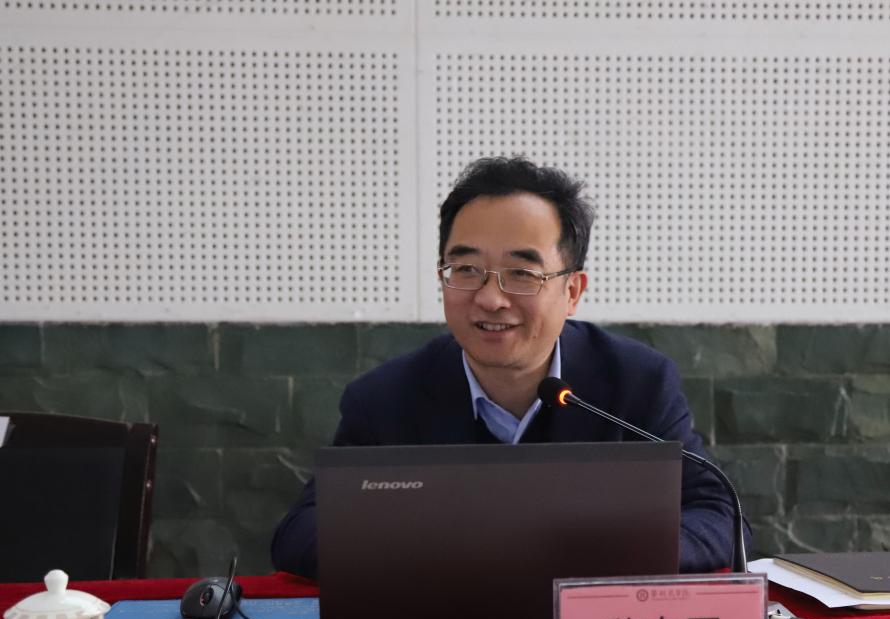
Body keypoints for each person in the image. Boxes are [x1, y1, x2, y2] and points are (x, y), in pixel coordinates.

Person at [271, 156, 750, 578]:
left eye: (521, 273)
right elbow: (302, 532)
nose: (490, 298)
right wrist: (450, 552)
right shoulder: (385, 398)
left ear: (572, 291)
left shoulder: (636, 383)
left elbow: (719, 514)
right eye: (466, 270)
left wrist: (609, 553)